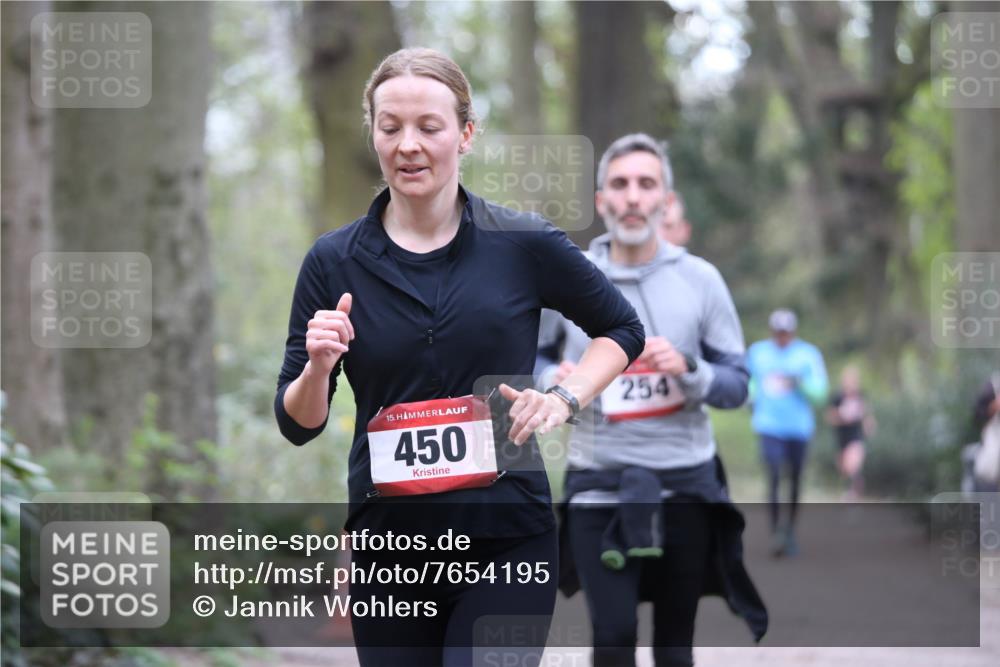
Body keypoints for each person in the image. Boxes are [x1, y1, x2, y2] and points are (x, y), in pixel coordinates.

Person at [273, 48, 645, 666]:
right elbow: (297, 424)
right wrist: (318, 365)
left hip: (508, 541)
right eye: (390, 127)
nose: (408, 145)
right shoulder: (333, 262)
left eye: (429, 127)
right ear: (373, 134)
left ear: (466, 134)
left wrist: (563, 398)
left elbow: (621, 328)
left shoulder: (522, 243)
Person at [537, 133, 767, 667]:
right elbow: (531, 353)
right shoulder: (568, 276)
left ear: (666, 200)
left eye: (646, 184)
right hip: (598, 482)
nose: (633, 197)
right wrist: (554, 375)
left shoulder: (701, 280)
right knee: (613, 637)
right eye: (620, 185)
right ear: (602, 201)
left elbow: (738, 385)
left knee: (674, 646)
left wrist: (689, 369)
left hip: (684, 485)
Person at [746, 309, 828, 557]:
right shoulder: (758, 352)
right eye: (778, 332)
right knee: (773, 474)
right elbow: (749, 382)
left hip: (798, 428)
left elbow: (820, 393)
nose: (782, 337)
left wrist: (800, 383)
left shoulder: (808, 354)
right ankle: (775, 532)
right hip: (769, 426)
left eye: (786, 333)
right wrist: (750, 398)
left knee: (795, 478)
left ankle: (790, 528)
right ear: (772, 332)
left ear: (793, 332)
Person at [825, 365, 875, 500]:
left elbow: (867, 415)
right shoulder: (837, 397)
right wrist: (842, 417)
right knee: (843, 468)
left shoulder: (861, 396)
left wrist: (868, 425)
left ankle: (853, 495)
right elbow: (830, 417)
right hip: (841, 437)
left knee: (852, 463)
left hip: (856, 436)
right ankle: (849, 490)